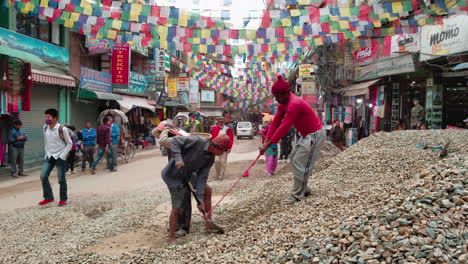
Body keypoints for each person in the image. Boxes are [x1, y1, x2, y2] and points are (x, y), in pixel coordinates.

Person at [259, 76, 325, 204]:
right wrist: (266, 141)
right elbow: (276, 123)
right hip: (306, 135)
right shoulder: (283, 105)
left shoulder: (294, 104)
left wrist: (268, 145)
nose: (276, 99)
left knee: (301, 162)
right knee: (294, 158)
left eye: (277, 96)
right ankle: (303, 188)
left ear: (284, 93)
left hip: (315, 135)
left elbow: (284, 127)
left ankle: (298, 194)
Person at [162, 134, 231, 243]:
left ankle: (209, 224)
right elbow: (175, 141)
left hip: (188, 174)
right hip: (173, 176)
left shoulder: (210, 158)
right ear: (216, 146)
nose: (223, 153)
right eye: (223, 151)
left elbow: (201, 179)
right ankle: (171, 238)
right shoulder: (197, 141)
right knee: (177, 206)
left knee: (207, 191)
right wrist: (178, 158)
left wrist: (200, 200)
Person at [39, 108, 73, 206]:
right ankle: (48, 197)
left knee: (61, 179)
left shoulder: (62, 129)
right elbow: (46, 142)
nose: (46, 119)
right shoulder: (45, 128)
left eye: (48, 117)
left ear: (55, 118)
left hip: (60, 157)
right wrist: (46, 153)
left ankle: (63, 199)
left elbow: (69, 143)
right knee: (43, 176)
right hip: (49, 156)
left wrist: (62, 156)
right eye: (45, 117)